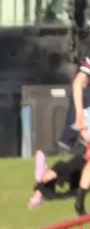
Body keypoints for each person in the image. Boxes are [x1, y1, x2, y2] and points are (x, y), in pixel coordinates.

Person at [29, 50, 90, 214]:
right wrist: (79, 114)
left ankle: (41, 186)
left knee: (79, 161)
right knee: (76, 161)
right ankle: (41, 186)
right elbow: (78, 83)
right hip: (86, 113)